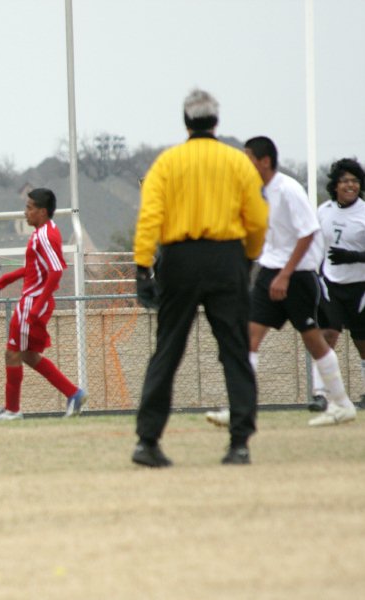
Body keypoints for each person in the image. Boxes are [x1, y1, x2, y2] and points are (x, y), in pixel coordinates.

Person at [132, 89, 269, 467]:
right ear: (216, 121)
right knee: (235, 351)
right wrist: (249, 257)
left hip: (179, 259)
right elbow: (257, 218)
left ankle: (147, 441)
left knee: (168, 348)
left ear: (186, 121)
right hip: (227, 257)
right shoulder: (237, 162)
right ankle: (239, 443)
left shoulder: (168, 162)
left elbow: (150, 218)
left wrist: (143, 265)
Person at [205, 137, 356, 430]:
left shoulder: (288, 189)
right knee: (249, 338)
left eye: (247, 158)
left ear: (263, 161)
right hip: (269, 271)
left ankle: (342, 404)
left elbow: (308, 233)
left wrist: (286, 274)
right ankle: (240, 408)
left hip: (297, 275)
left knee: (313, 339)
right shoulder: (256, 191)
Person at [0, 188, 86, 421]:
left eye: (29, 208)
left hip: (32, 301)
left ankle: (12, 410)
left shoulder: (44, 235)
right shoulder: (48, 231)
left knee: (12, 353)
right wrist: (11, 277)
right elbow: (40, 267)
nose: (25, 213)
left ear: (42, 211)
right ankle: (74, 394)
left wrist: (35, 306)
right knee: (29, 356)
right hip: (35, 300)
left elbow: (57, 270)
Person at [308, 158, 365, 417]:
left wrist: (354, 257)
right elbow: (316, 245)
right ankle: (321, 394)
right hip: (331, 284)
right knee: (327, 335)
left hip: (360, 288)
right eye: (345, 180)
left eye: (354, 180)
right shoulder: (324, 211)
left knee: (362, 341)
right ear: (335, 185)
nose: (350, 185)